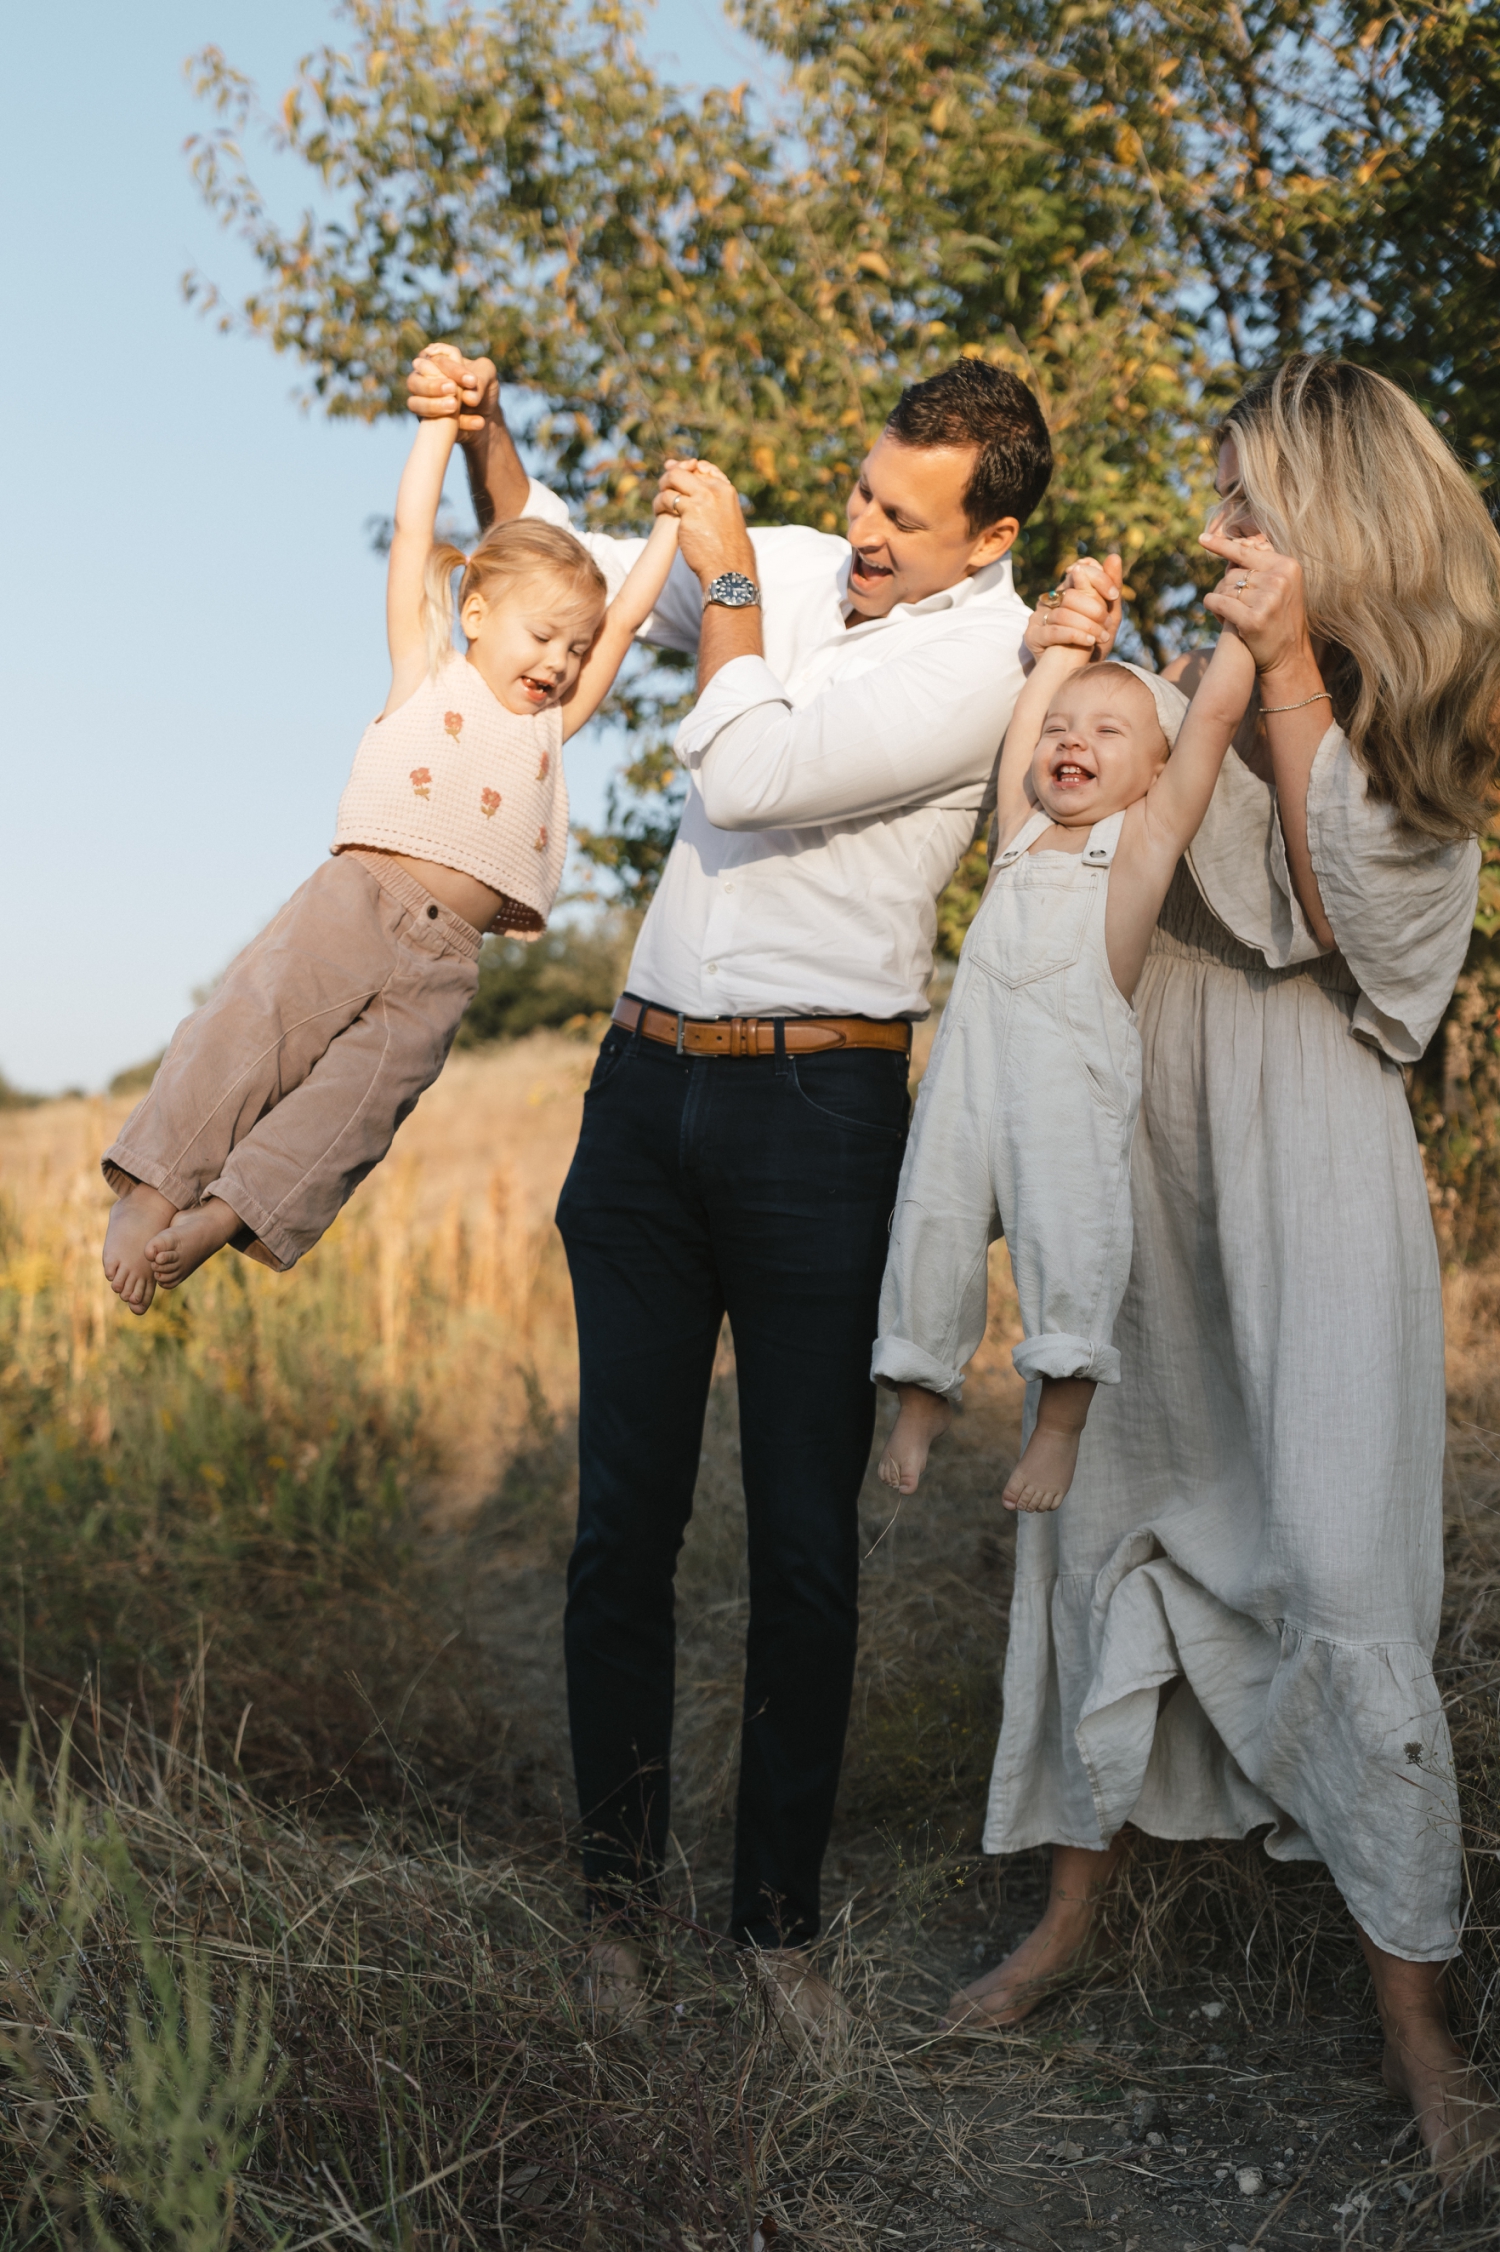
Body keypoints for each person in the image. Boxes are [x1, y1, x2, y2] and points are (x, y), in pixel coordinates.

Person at [405, 344, 1109, 2029]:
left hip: (822, 1108)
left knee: (803, 1542)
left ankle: (777, 1924)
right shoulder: (787, 566)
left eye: (902, 516)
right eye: (862, 488)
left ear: (989, 535)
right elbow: (567, 581)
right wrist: (495, 436)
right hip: (645, 1092)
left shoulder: (987, 664)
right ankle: (612, 1909)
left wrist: (725, 569)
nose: (861, 528)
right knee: (617, 1527)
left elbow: (745, 768)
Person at [945, 357, 1500, 2188]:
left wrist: (1289, 671)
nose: (1216, 535)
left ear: (1339, 521)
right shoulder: (1190, 675)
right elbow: (1047, 858)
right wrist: (1053, 681)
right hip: (1149, 1124)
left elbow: (1377, 938)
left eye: (1247, 506)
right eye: (1217, 503)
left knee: (1340, 1556)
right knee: (1112, 1508)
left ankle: (1416, 2020)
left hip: (1310, 1144)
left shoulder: (1426, 708)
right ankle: (1070, 1912)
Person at [101, 372, 680, 1313]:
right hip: (356, 903)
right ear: (479, 614)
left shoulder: (549, 728)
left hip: (447, 963)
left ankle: (225, 1217)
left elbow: (619, 623)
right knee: (249, 1034)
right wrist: (440, 433)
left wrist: (668, 532)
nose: (560, 664)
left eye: (572, 652)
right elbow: (415, 538)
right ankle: (154, 1193)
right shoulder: (427, 669)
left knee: (359, 1109)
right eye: (544, 638)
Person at [873, 621, 1254, 1509]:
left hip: (1065, 1099)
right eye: (1062, 729)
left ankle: (1058, 1428)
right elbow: (1023, 728)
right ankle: (922, 1394)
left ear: (1155, 770)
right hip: (967, 1090)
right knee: (930, 1226)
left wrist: (1245, 628)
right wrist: (1062, 651)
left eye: (1109, 732)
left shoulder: (1139, 847)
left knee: (1070, 1246)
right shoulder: (1019, 832)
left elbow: (1211, 723)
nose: (1072, 739)